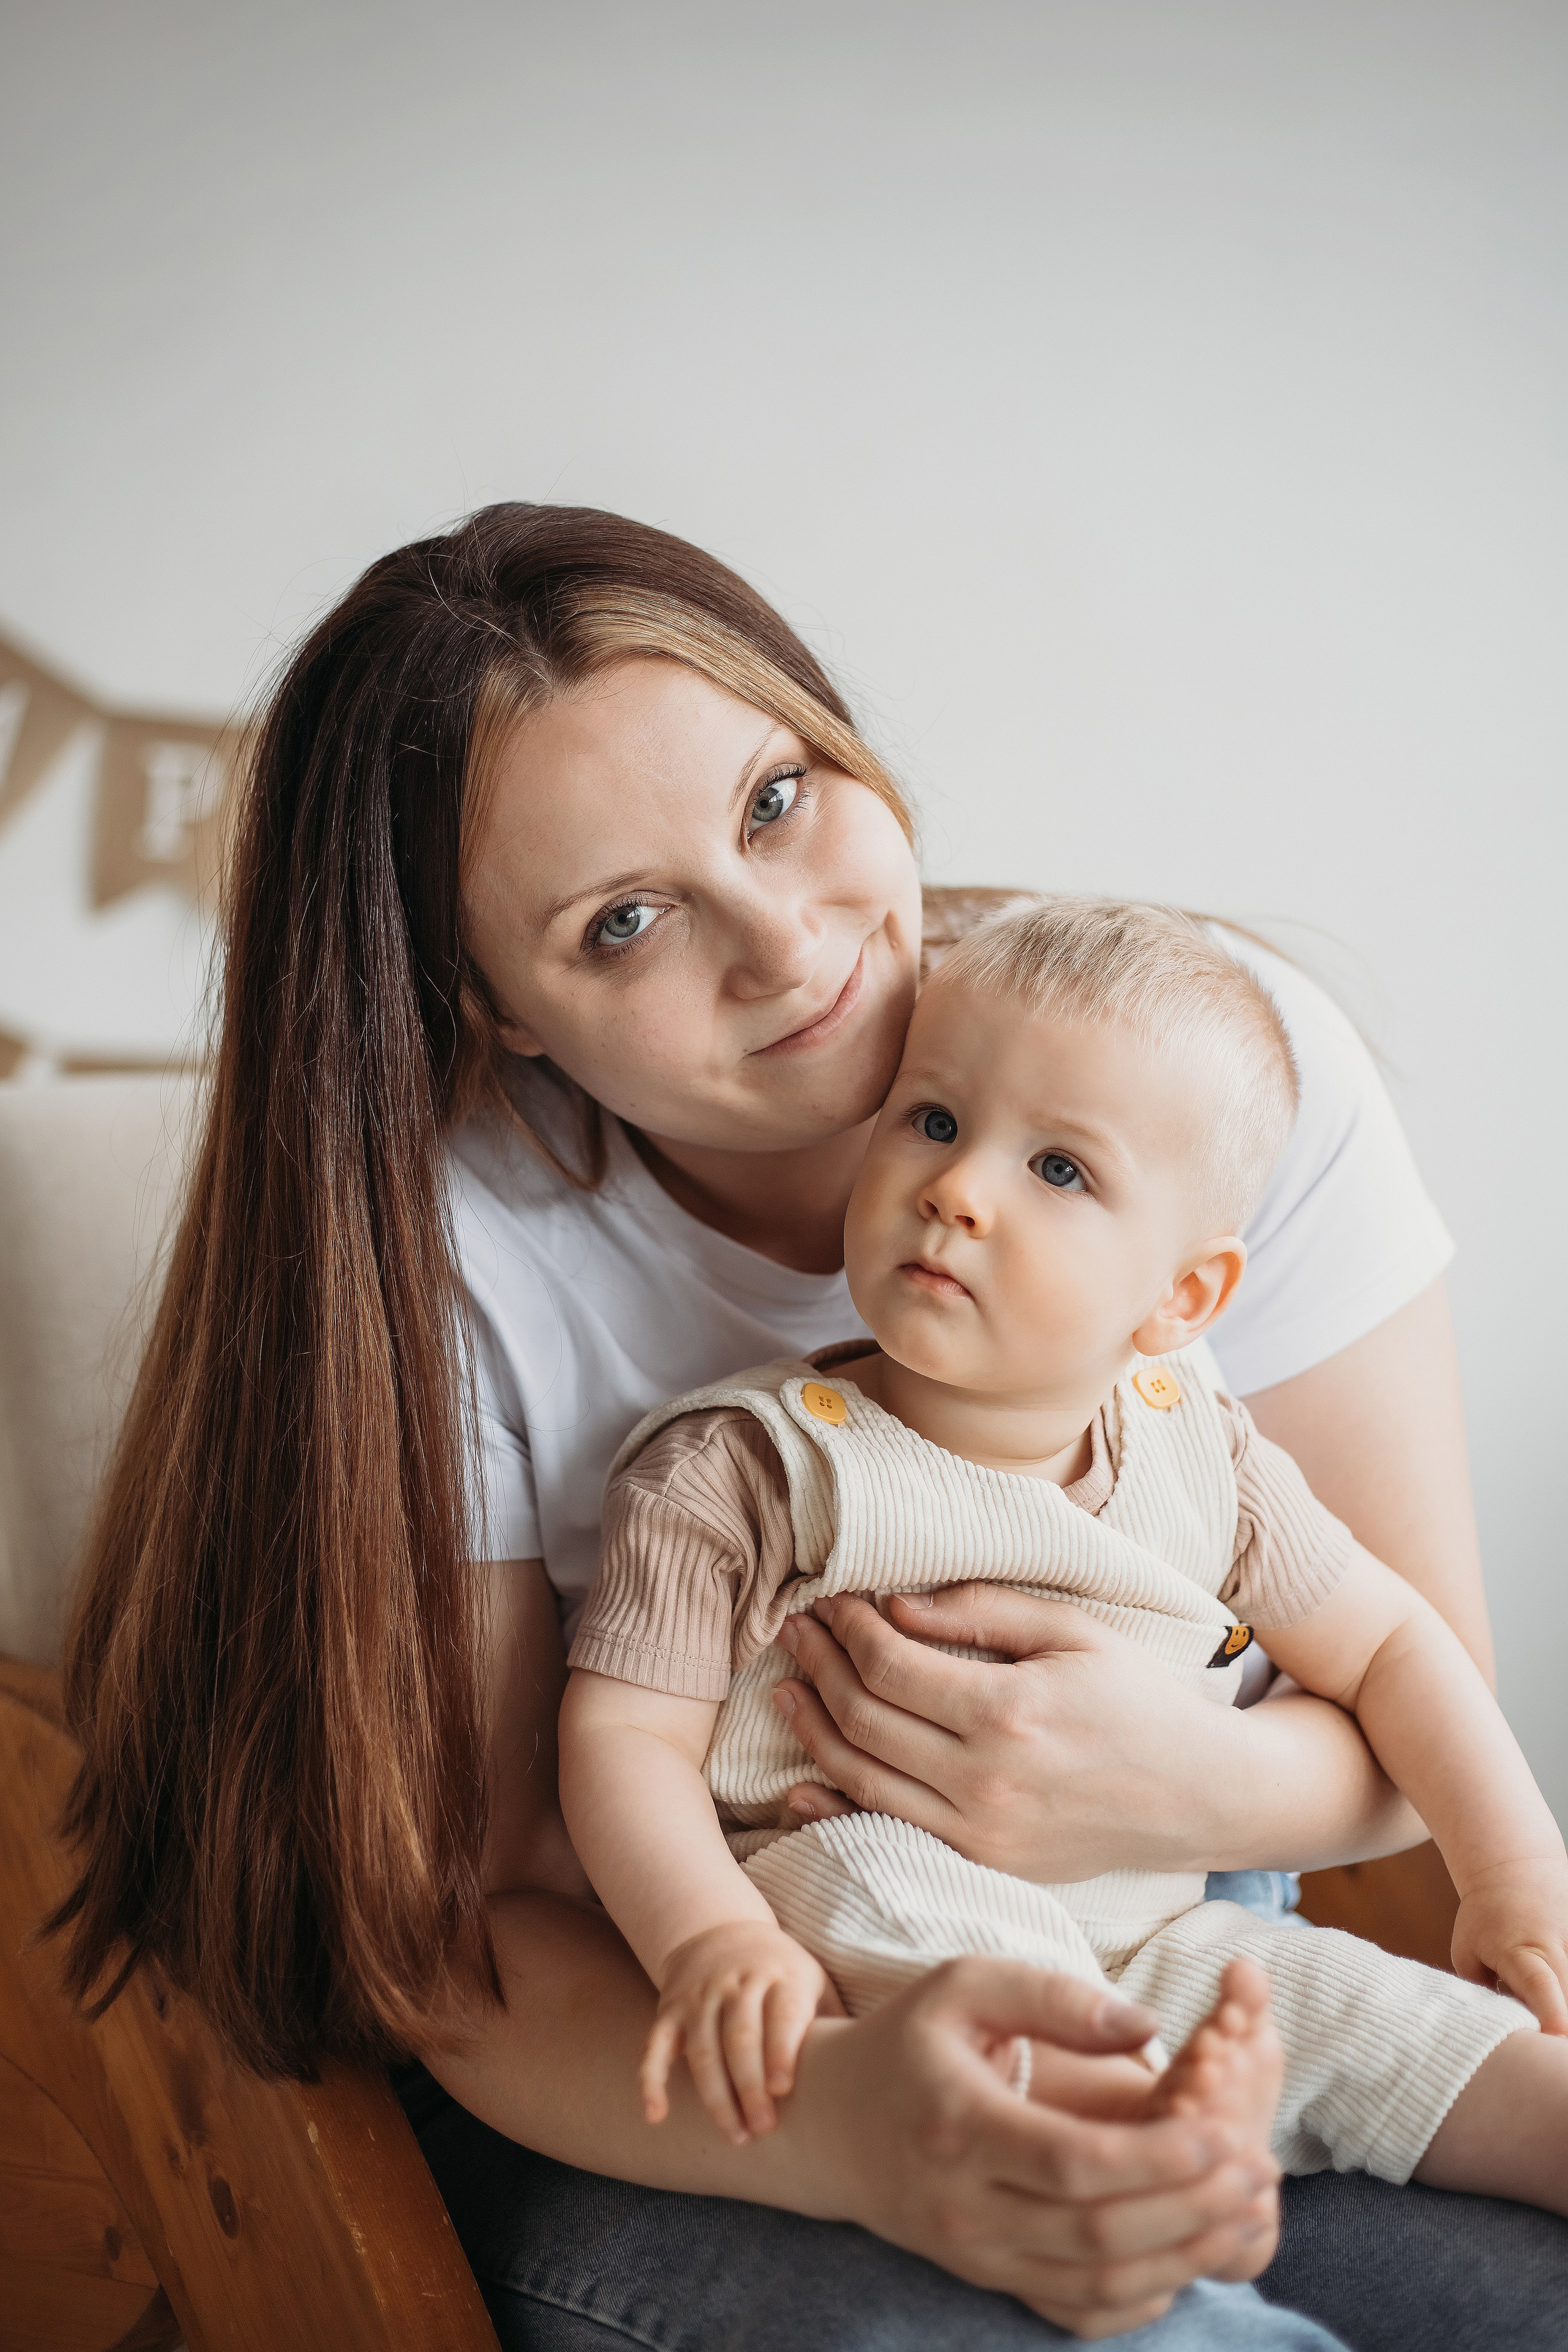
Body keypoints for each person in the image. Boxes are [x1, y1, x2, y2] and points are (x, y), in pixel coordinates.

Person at [49, 504, 1568, 2348]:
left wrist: (1161, 1783)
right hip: (674, 2048)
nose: (785, 946)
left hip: (1182, 1931)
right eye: (622, 923)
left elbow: (1413, 1673)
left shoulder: (1199, 1066)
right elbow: (487, 1914)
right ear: (492, 1008)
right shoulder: (493, 1292)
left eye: (775, 799)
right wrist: (857, 2126)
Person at [559, 899, 1568, 2218]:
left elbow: (1391, 1647)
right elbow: (622, 1740)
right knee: (912, 1917)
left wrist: (1512, 1880)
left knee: (1387, 2019)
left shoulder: (1207, 1456)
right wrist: (710, 1939)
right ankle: (1137, 2150)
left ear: (1182, 1299)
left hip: (1160, 1931)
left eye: (1058, 1172)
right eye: (930, 1121)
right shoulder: (745, 1469)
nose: (955, 1190)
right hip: (859, 1902)